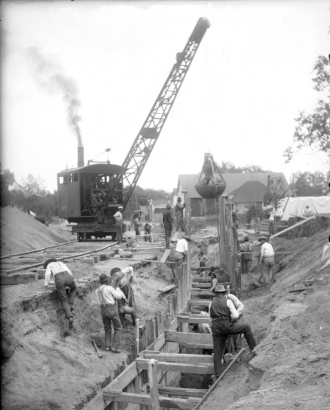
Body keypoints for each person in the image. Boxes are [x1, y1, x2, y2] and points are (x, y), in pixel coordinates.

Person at [210, 284, 256, 379]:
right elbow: (235, 316)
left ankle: (218, 375)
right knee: (246, 327)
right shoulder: (228, 301)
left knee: (217, 351)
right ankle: (254, 350)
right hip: (226, 325)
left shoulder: (211, 303)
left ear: (215, 294)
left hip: (216, 328)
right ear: (223, 293)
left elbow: (209, 319)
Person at [95, 273, 126, 353]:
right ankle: (115, 347)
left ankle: (107, 346)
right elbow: (118, 296)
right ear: (107, 281)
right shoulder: (109, 288)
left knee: (107, 328)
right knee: (118, 327)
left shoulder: (97, 290)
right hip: (111, 308)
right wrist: (118, 290)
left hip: (103, 309)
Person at [44, 259, 76, 329]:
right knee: (73, 288)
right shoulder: (61, 263)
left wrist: (46, 285)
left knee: (64, 299)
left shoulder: (49, 265)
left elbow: (47, 274)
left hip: (59, 279)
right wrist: (72, 280)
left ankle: (70, 317)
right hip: (68, 276)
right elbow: (70, 272)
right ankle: (71, 304)